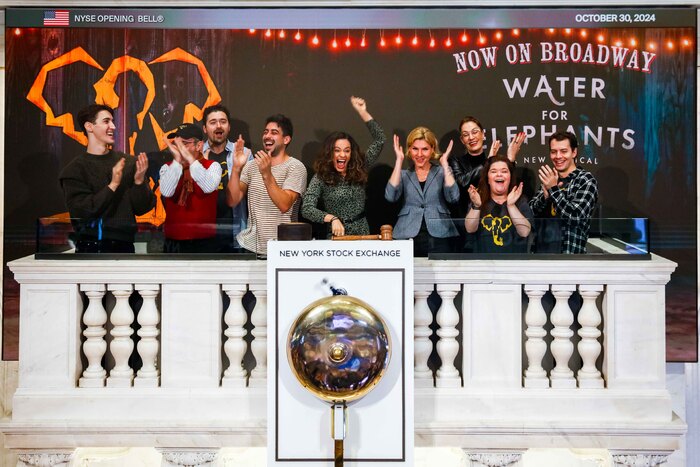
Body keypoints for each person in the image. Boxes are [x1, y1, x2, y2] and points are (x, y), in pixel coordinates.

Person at [59, 104, 154, 253]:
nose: (113, 126)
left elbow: (143, 208)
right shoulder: (74, 170)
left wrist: (139, 182)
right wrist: (113, 185)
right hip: (89, 248)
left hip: (125, 247)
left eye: (112, 121)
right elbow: (83, 212)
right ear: (89, 126)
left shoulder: (129, 163)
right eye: (106, 121)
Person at [301, 96, 386, 238]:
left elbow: (380, 139)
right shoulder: (321, 177)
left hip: (362, 234)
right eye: (337, 150)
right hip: (336, 236)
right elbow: (307, 208)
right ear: (330, 153)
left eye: (347, 150)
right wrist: (332, 219)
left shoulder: (360, 166)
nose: (342, 155)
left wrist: (362, 112)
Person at [227, 114, 307, 256]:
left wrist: (266, 174)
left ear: (286, 139)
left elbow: (284, 204)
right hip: (251, 246)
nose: (267, 136)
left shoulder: (295, 167)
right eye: (265, 132)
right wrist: (236, 168)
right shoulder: (252, 166)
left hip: (284, 248)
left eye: (274, 132)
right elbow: (233, 200)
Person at [385, 127, 459, 256]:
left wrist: (445, 165)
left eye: (425, 149)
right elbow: (390, 196)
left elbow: (453, 197)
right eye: (415, 149)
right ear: (409, 150)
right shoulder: (402, 174)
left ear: (432, 150)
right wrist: (399, 161)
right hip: (407, 233)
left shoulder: (442, 172)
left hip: (440, 233)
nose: (419, 154)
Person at [529, 131, 598, 254]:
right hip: (540, 254)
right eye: (553, 151)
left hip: (569, 257)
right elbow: (530, 215)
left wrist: (554, 190)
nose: (558, 156)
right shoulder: (550, 178)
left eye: (563, 151)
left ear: (574, 152)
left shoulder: (585, 180)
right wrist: (544, 198)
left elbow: (575, 217)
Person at [159, 123, 222, 253]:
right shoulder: (168, 167)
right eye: (177, 143)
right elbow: (166, 191)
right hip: (173, 243)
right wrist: (177, 161)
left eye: (185, 143)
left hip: (204, 242)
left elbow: (208, 186)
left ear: (199, 146)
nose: (180, 148)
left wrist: (190, 160)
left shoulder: (213, 166)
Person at [201, 104, 254, 252]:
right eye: (213, 122)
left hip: (235, 232)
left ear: (229, 127)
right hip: (202, 234)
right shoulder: (196, 154)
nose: (219, 126)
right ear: (205, 128)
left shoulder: (244, 154)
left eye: (223, 121)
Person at [449, 116, 525, 216]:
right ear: (462, 140)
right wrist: (487, 163)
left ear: (482, 134)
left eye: (475, 132)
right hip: (466, 218)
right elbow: (462, 183)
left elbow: (508, 186)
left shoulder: (494, 161)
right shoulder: (455, 160)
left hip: (492, 217)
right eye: (466, 135)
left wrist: (511, 160)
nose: (471, 137)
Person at [465, 155, 533, 253]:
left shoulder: (521, 201)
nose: (499, 174)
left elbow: (525, 232)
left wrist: (511, 205)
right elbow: (470, 229)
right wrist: (476, 206)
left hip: (513, 263)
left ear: (510, 177)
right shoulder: (478, 200)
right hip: (485, 263)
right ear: (488, 179)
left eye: (504, 171)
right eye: (493, 171)